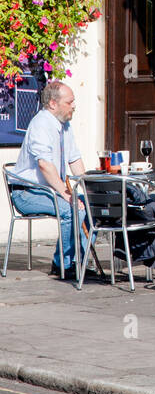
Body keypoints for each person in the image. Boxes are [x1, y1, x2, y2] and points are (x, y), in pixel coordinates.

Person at [7, 81, 86, 278]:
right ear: (53, 103)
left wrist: (87, 189)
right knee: (70, 209)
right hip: (26, 193)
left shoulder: (65, 126)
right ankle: (62, 264)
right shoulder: (41, 124)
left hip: (49, 190)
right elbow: (45, 165)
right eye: (70, 102)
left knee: (91, 206)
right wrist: (67, 195)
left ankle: (80, 262)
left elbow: (75, 159)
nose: (74, 106)